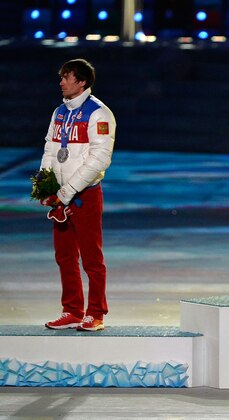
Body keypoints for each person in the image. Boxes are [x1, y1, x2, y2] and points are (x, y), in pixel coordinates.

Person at [40, 58, 116, 331]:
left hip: (85, 197)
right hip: (60, 197)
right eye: (61, 77)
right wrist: (46, 186)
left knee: (92, 259)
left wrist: (67, 192)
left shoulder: (99, 114)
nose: (61, 82)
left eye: (66, 77)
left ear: (81, 81)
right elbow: (50, 147)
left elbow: (99, 160)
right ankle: (72, 310)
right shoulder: (59, 112)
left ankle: (95, 313)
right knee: (64, 257)